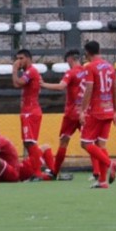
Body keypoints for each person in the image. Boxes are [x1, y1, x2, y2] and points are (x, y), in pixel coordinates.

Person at [40, 49, 88, 177]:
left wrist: (43, 84)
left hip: (72, 113)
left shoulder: (71, 72)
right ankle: (98, 171)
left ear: (70, 59)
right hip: (85, 112)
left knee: (64, 141)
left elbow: (61, 86)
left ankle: (55, 171)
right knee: (90, 142)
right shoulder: (87, 72)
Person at [79, 41, 116, 189]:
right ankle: (103, 181)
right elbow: (115, 88)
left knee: (85, 143)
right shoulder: (110, 66)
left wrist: (82, 111)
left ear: (87, 53)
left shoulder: (90, 67)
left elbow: (89, 89)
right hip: (109, 110)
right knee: (101, 145)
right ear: (99, 50)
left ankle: (110, 163)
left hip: (96, 111)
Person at [12, 49, 53, 180]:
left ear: (28, 59)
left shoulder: (31, 71)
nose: (19, 61)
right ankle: (41, 171)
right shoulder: (27, 72)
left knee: (30, 142)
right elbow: (16, 84)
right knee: (27, 142)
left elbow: (18, 82)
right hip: (26, 111)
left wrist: (14, 69)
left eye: (21, 58)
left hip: (31, 111)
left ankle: (37, 172)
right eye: (17, 58)